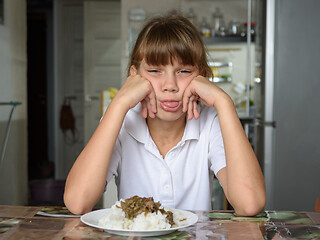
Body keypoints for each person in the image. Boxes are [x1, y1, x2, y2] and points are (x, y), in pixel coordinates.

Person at [64, 15, 266, 216]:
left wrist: (224, 102)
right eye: (154, 71)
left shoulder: (210, 121)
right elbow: (77, 202)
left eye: (184, 71)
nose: (170, 86)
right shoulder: (122, 121)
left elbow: (249, 204)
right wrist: (119, 103)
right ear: (135, 77)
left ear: (201, 78)